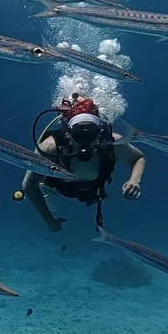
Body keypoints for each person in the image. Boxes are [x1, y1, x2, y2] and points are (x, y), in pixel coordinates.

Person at [21, 94, 146, 232]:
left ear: (99, 132)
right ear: (68, 132)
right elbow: (29, 184)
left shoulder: (110, 142)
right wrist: (49, 219)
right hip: (56, 187)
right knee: (48, 198)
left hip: (94, 187)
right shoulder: (50, 148)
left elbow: (138, 158)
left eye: (91, 134)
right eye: (79, 134)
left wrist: (135, 180)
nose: (85, 141)